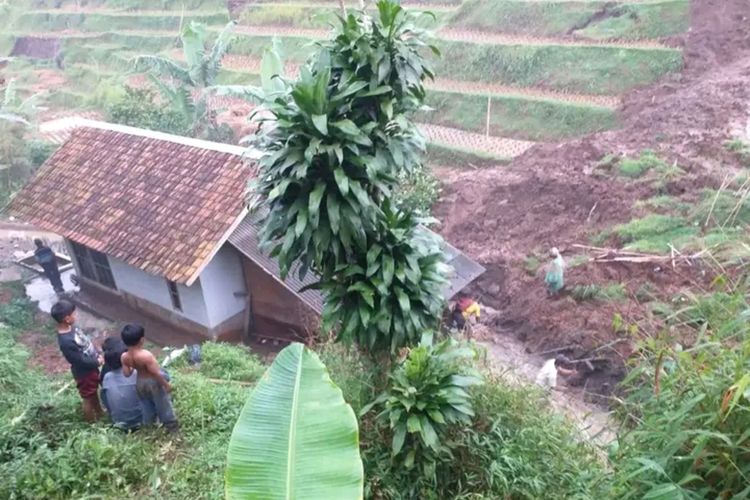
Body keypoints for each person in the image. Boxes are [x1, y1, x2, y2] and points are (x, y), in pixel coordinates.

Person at [51, 300, 103, 422]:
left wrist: (96, 354)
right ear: (66, 318)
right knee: (87, 398)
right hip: (84, 373)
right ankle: (91, 423)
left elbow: (84, 342)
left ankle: (100, 413)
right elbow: (79, 360)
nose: (76, 315)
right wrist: (97, 362)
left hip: (90, 366)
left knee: (93, 392)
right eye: (74, 314)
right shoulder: (66, 341)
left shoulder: (71, 328)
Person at [121, 324, 179, 432]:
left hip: (140, 383)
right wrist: (166, 385)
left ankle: (150, 426)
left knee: (146, 405)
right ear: (142, 340)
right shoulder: (146, 356)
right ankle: (171, 426)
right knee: (162, 404)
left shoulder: (124, 357)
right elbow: (156, 373)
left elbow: (127, 374)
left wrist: (135, 367)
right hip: (152, 383)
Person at [100, 337, 143, 431]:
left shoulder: (107, 377)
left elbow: (105, 399)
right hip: (142, 421)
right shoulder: (135, 372)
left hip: (120, 424)